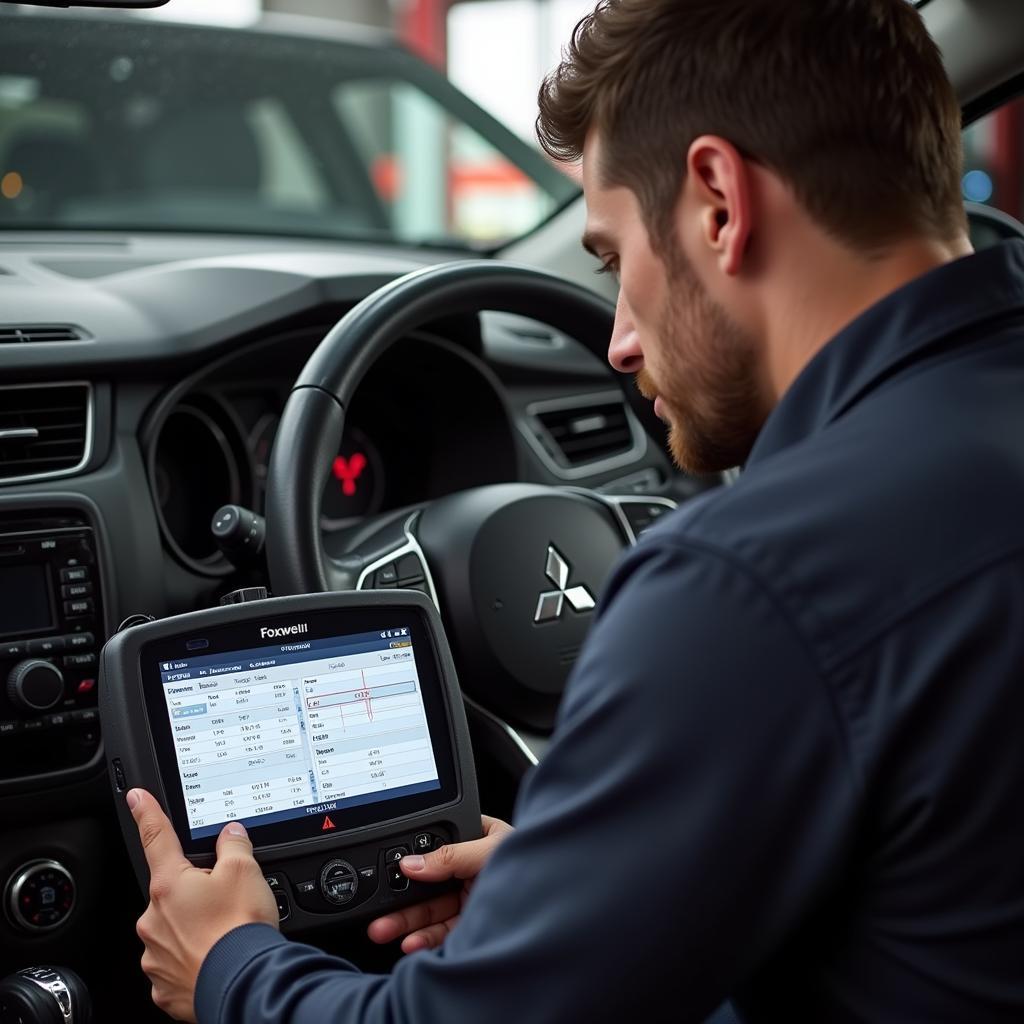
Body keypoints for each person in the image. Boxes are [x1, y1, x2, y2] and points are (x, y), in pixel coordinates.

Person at [127, 0, 1024, 1020]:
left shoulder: (750, 585)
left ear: (719, 202)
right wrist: (580, 889)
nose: (619, 344)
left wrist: (234, 966)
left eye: (611, 260)